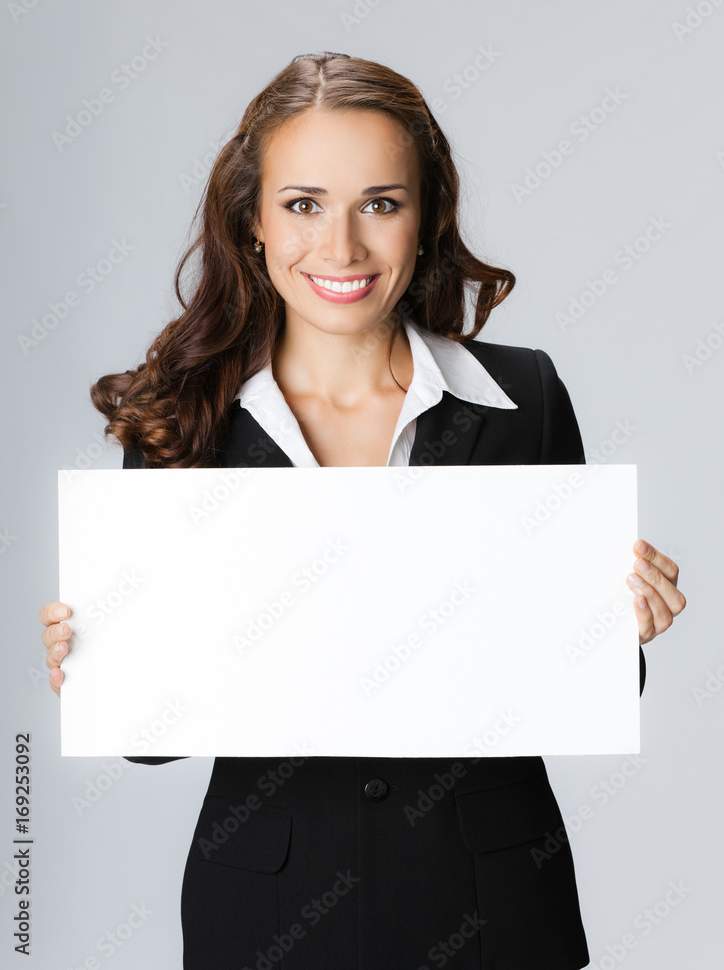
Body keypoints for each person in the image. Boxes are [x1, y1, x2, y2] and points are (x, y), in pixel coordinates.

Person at [40, 52, 686, 969]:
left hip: (492, 902)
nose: (340, 248)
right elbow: (152, 744)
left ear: (426, 222)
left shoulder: (526, 396)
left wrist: (622, 626)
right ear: (252, 223)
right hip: (265, 910)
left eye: (380, 203)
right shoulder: (183, 419)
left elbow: (580, 692)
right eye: (304, 204)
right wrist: (100, 665)